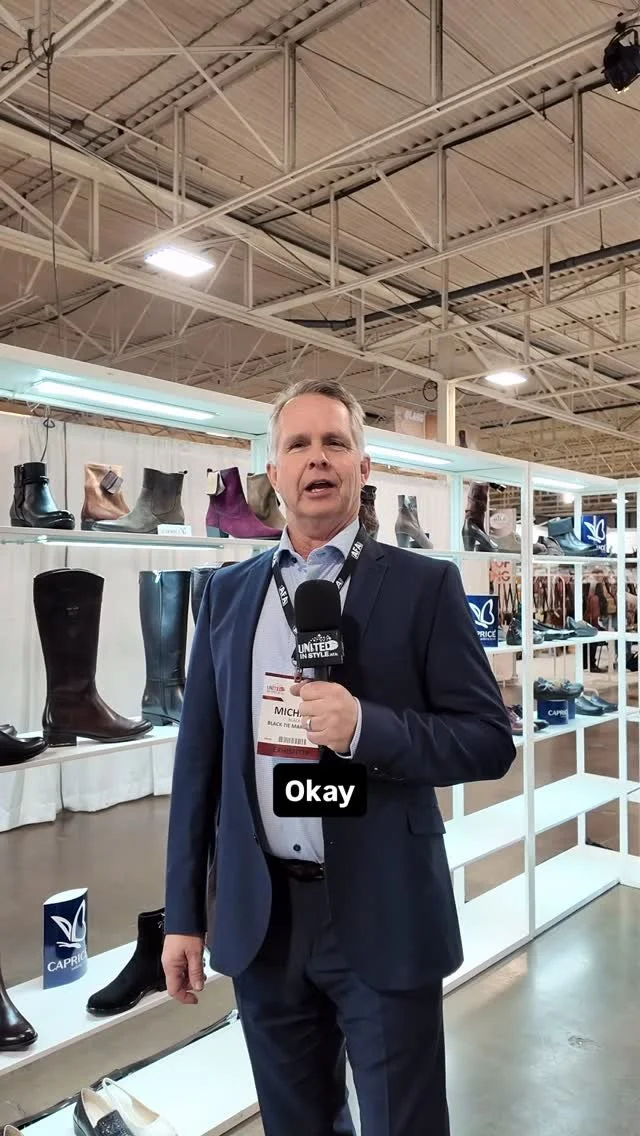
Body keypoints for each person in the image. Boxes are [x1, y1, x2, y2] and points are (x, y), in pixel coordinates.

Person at [162, 378, 516, 1136]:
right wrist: (184, 915)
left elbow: (488, 740)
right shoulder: (227, 595)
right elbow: (198, 768)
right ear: (274, 472)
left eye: (335, 443)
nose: (316, 458)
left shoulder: (424, 585)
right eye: (298, 445)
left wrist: (365, 729)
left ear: (363, 466)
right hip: (263, 919)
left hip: (384, 910)